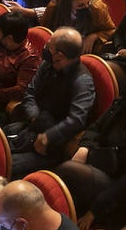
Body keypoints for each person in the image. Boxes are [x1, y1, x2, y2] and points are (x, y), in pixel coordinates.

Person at [56, 69, 126, 230]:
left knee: (68, 170)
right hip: (103, 163)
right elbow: (95, 128)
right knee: (69, 154)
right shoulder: (119, 108)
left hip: (122, 187)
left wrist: (94, 211)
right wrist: (84, 147)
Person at [7, 27, 95, 177]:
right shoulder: (47, 64)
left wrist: (48, 136)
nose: (45, 47)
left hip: (50, 146)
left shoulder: (82, 81)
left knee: (4, 164)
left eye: (49, 45)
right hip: (31, 125)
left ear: (59, 56)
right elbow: (30, 93)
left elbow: (77, 119)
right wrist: (35, 117)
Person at [42, 0, 115, 54]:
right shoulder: (54, 9)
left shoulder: (97, 9)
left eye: (88, 2)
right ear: (68, 6)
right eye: (81, 5)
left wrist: (94, 36)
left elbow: (111, 30)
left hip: (88, 52)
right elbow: (45, 32)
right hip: (61, 50)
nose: (87, 7)